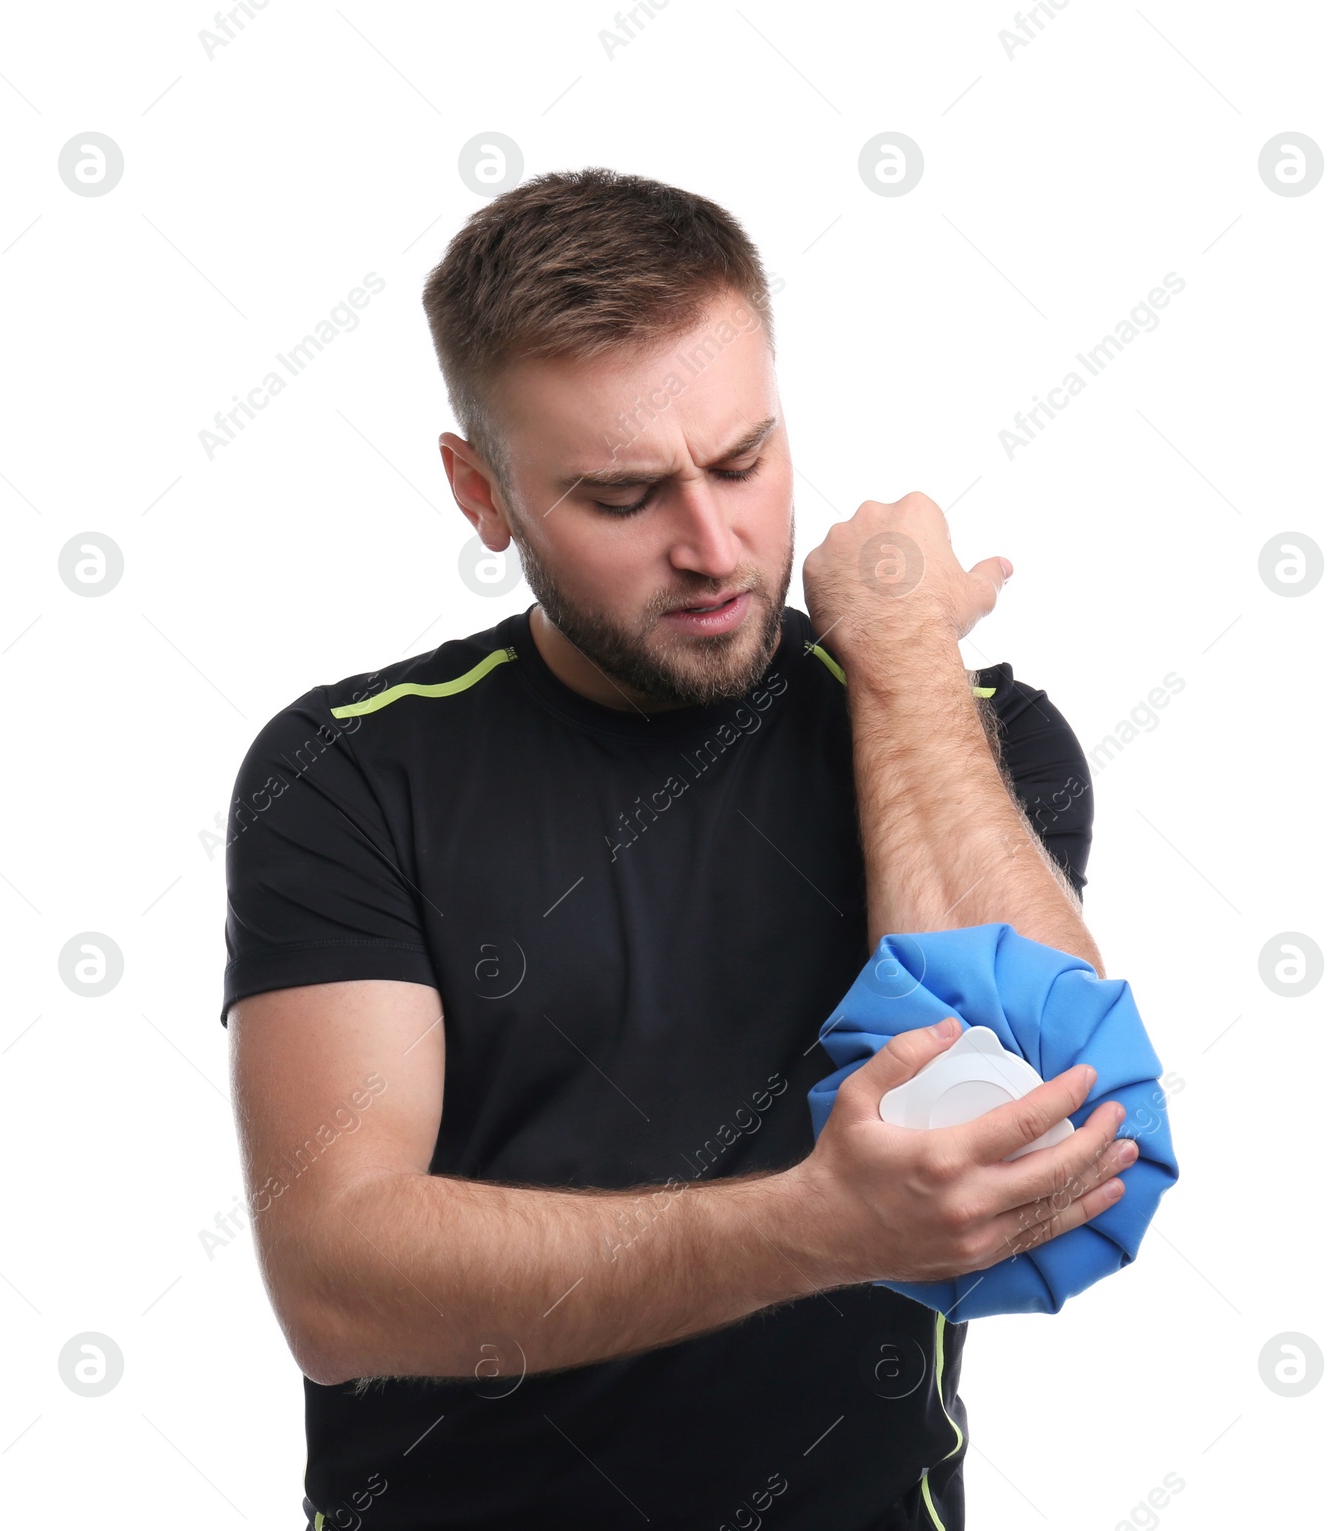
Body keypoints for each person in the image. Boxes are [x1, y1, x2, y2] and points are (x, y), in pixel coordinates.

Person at [220, 166, 1132, 1531]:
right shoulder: (353, 770)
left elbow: (1052, 1138)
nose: (712, 547)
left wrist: (899, 658)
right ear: (484, 495)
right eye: (624, 494)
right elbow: (339, 1284)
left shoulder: (959, 728)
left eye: (743, 462)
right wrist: (817, 1226)